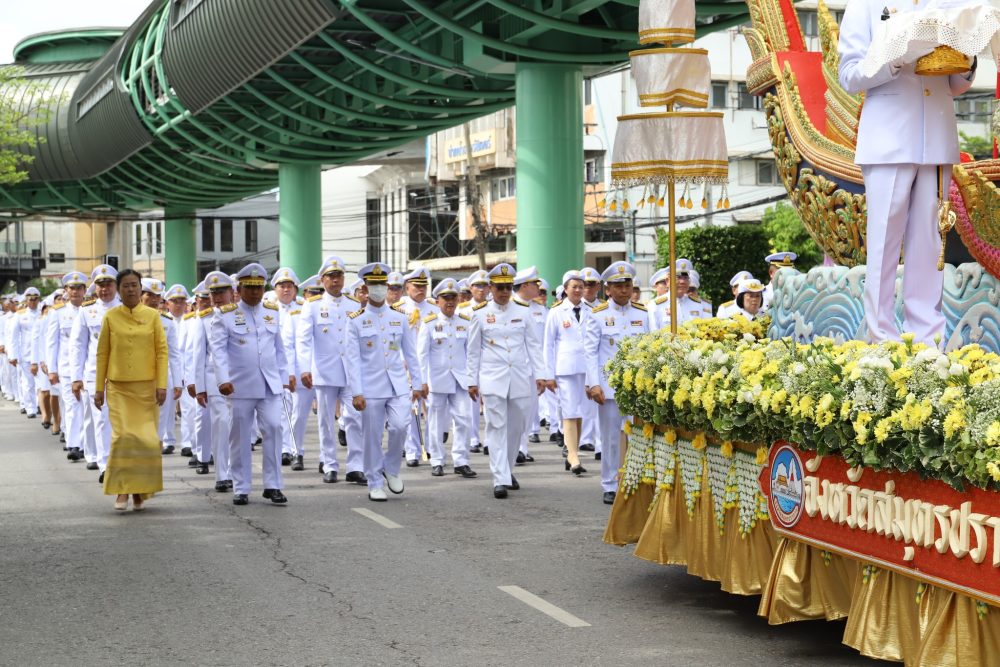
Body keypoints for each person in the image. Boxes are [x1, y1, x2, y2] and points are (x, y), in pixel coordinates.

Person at [838, 0, 975, 344]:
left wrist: (968, 59)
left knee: (930, 245)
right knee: (884, 244)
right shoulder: (865, 4)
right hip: (888, 140)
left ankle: (928, 342)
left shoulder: (947, 4)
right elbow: (849, 75)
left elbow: (954, 83)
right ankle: (881, 339)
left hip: (936, 138)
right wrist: (895, 58)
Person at [209, 263, 293, 506]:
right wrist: (223, 379)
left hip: (269, 384)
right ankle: (241, 486)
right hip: (239, 386)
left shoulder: (272, 312)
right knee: (240, 437)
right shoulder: (225, 315)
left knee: (274, 428)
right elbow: (218, 351)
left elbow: (279, 349)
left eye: (259, 287)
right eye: (250, 287)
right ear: (239, 289)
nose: (255, 292)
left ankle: (273, 485)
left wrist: (284, 378)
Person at [345, 262, 425, 502]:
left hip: (397, 385)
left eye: (382, 284)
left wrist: (418, 384)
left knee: (400, 427)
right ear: (365, 288)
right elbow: (352, 360)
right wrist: (356, 392)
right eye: (373, 284)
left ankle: (390, 469)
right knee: (372, 436)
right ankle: (374, 482)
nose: (378, 289)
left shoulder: (399, 317)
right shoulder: (355, 320)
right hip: (370, 388)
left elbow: (411, 353)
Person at [467, 264, 547, 499]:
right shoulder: (480, 313)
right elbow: (473, 351)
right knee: (496, 426)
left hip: (519, 377)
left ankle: (507, 469)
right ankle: (499, 478)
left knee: (517, 426)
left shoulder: (523, 311)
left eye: (508, 287)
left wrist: (541, 374)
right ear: (491, 288)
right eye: (499, 287)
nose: (504, 292)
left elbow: (533, 345)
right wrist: (472, 380)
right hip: (492, 378)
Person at [94, 269, 168, 512]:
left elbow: (161, 352)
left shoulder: (153, 316)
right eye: (125, 285)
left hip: (146, 388)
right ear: (119, 289)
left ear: (140, 288)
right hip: (119, 388)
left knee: (146, 440)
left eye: (134, 285)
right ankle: (122, 490)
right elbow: (102, 353)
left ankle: (140, 490)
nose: (130, 289)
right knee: (123, 438)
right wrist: (99, 388)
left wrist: (162, 384)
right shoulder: (110, 316)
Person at [585, 261, 649, 504]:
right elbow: (590, 352)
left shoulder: (643, 314)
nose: (624, 290)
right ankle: (610, 484)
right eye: (618, 286)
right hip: (609, 387)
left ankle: (635, 480)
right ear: (608, 289)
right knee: (610, 438)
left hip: (637, 387)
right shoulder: (598, 315)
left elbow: (651, 350)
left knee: (638, 436)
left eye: (627, 285)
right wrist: (593, 383)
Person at [297, 255, 363, 484]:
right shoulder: (313, 305)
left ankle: (355, 466)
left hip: (351, 372)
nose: (336, 280)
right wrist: (304, 368)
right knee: (326, 421)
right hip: (325, 371)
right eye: (331, 276)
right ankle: (329, 464)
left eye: (339, 276)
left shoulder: (353, 305)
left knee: (355, 418)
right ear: (323, 280)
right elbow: (303, 340)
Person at [416, 278, 477, 479]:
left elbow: (471, 354)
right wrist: (422, 381)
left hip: (460, 379)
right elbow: (421, 355)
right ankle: (437, 460)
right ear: (437, 301)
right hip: (436, 380)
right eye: (445, 298)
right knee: (435, 422)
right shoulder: (429, 323)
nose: (450, 302)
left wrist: (473, 380)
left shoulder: (465, 322)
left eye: (453, 297)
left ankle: (461, 461)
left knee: (464, 419)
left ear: (458, 299)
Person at [71, 265, 122, 480]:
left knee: (122, 422)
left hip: (124, 375)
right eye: (100, 284)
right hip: (96, 375)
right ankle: (105, 466)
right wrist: (76, 378)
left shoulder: (127, 308)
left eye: (108, 284)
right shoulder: (86, 311)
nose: (104, 289)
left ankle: (122, 463)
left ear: (116, 286)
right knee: (101, 420)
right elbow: (78, 345)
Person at [192, 272, 235, 487]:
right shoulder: (204, 319)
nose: (217, 297)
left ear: (232, 293)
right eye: (213, 293)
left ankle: (237, 472)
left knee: (239, 428)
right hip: (214, 381)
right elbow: (198, 356)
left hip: (240, 379)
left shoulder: (241, 314)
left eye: (221, 292)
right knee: (221, 426)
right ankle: (222, 475)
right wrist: (200, 387)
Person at [544, 270, 589, 475]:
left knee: (580, 413)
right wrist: (549, 374)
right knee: (570, 411)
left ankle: (572, 453)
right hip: (565, 369)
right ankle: (573, 455)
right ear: (565, 289)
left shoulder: (591, 310)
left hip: (586, 369)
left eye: (581, 287)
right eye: (574, 287)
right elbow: (548, 345)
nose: (578, 290)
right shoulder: (556, 311)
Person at [397, 266, 439, 466]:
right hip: (407, 365)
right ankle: (412, 450)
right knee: (410, 408)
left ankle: (431, 447)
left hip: (430, 365)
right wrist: (400, 360)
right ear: (407, 287)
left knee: (433, 407)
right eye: (417, 286)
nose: (421, 289)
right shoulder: (398, 308)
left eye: (424, 286)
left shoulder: (434, 308)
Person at [47, 273, 88, 460]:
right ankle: (74, 444)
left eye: (79, 288)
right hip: (67, 368)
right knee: (71, 406)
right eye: (72, 288)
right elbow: (52, 342)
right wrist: (52, 369)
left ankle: (86, 444)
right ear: (66, 290)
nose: (75, 292)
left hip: (87, 368)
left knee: (86, 407)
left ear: (84, 290)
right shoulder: (58, 312)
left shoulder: (91, 310)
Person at [140, 279, 183, 456]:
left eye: (157, 296)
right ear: (141, 296)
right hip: (137, 379)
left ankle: (151, 460)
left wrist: (178, 382)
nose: (153, 299)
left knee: (159, 423)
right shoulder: (129, 317)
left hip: (162, 380)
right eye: (149, 295)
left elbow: (174, 354)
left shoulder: (167, 321)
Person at [268, 267, 303, 469]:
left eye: (290, 286)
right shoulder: (267, 309)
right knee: (281, 409)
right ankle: (285, 449)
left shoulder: (304, 307)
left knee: (296, 411)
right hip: (275, 367)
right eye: (282, 286)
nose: (286, 290)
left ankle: (295, 449)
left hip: (299, 368)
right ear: (275, 288)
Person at [514, 266, 546, 460]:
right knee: (514, 411)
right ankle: (514, 447)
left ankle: (522, 448)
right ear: (525, 286)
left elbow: (542, 344)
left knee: (528, 410)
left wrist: (542, 373)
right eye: (535, 284)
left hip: (533, 369)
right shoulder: (509, 306)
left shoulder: (540, 310)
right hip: (514, 368)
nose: (538, 287)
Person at [458, 269, 490, 454]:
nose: (481, 289)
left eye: (485, 285)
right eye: (478, 285)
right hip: (468, 359)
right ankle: (473, 438)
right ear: (471, 288)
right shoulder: (463, 310)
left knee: (491, 400)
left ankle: (489, 440)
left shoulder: (494, 308)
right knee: (472, 401)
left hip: (490, 360)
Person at [8, 286, 41, 419]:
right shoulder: (20, 314)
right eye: (30, 299)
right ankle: (30, 408)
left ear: (38, 300)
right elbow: (14, 336)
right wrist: (13, 355)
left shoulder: (44, 313)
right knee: (28, 383)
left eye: (35, 299)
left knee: (41, 383)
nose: (32, 302)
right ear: (26, 300)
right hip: (25, 353)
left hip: (41, 353)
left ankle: (39, 404)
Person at [647, 259, 705, 330]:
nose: (682, 281)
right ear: (667, 281)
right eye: (678, 277)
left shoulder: (697, 305)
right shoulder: (655, 305)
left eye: (686, 278)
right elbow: (653, 332)